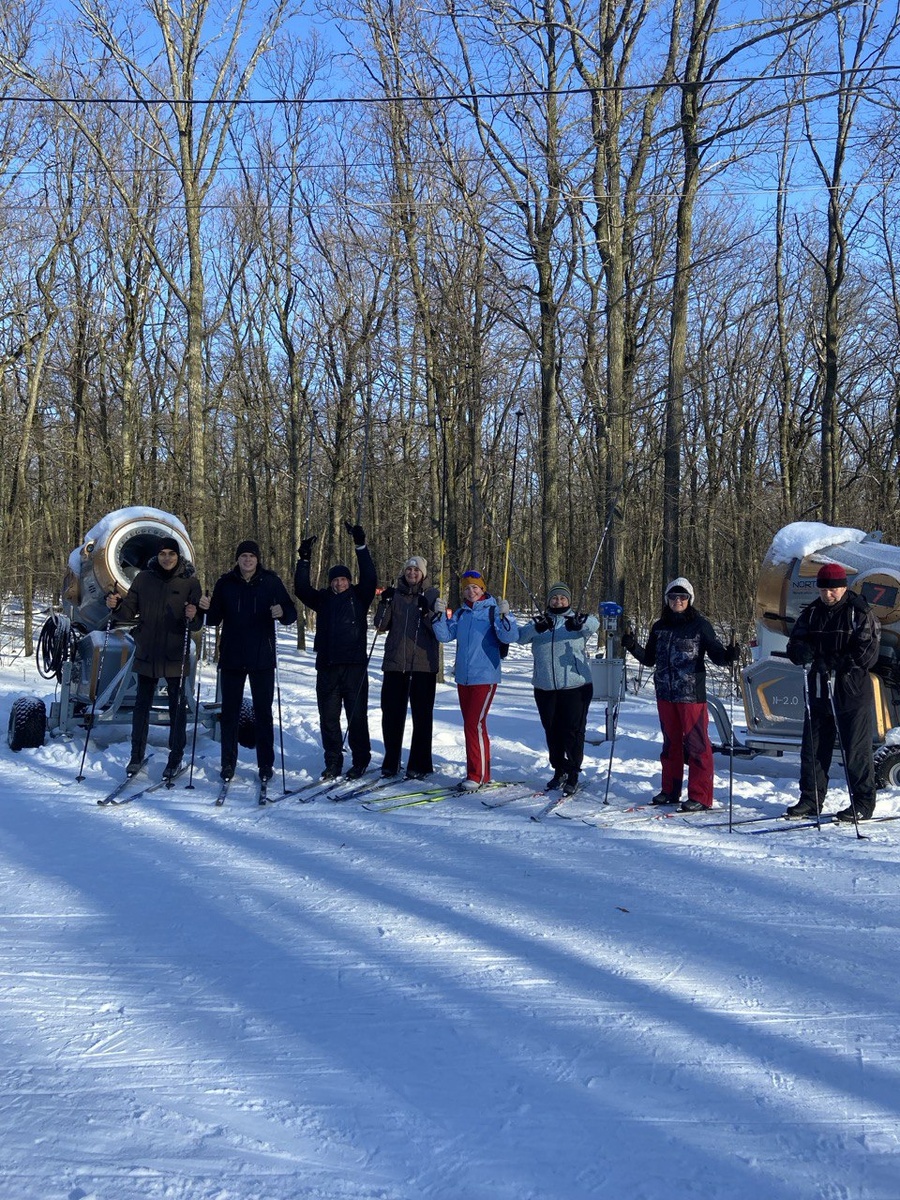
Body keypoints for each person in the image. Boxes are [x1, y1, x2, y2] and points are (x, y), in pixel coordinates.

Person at [622, 577, 738, 812]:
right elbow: (650, 659)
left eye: (682, 597)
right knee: (670, 744)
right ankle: (670, 790)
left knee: (697, 746)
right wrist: (632, 646)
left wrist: (729, 655)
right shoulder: (659, 626)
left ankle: (701, 796)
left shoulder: (700, 625)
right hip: (665, 693)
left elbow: (717, 655)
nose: (678, 601)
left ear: (689, 600)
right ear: (667, 599)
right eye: (673, 597)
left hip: (691, 695)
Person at [784, 562, 881, 822]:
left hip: (850, 693)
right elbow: (795, 643)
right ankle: (810, 800)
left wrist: (836, 661)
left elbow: (868, 652)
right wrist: (799, 652)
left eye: (834, 589)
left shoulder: (858, 612)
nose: (829, 594)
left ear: (844, 587)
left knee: (856, 751)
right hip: (818, 691)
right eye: (824, 589)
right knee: (813, 750)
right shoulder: (812, 613)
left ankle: (862, 802)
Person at [199, 540, 297, 783]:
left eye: (251, 556)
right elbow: (213, 620)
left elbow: (291, 613)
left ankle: (265, 765)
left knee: (263, 714)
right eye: (243, 556)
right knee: (230, 714)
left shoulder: (270, 581)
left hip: (262, 658)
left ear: (258, 559)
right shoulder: (225, 583)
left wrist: (282, 612)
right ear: (237, 559)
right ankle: (228, 764)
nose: (247, 560)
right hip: (232, 657)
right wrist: (205, 608)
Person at [106, 535, 202, 780]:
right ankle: (136, 757)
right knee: (141, 706)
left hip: (174, 654)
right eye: (162, 554)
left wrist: (195, 614)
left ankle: (175, 757)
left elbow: (196, 622)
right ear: (156, 557)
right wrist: (116, 605)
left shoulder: (191, 582)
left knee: (177, 708)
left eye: (171, 554)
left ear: (178, 556)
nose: (167, 558)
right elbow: (129, 610)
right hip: (147, 650)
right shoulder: (143, 579)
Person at [294, 522, 377, 780]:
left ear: (349, 581)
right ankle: (333, 761)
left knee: (356, 718)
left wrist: (360, 546)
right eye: (335, 580)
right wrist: (304, 560)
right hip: (328, 667)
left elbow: (371, 577)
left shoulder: (360, 597)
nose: (340, 583)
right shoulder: (322, 599)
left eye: (343, 579)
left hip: (354, 668)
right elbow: (301, 590)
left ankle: (361, 759)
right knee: (328, 719)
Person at [433, 569, 518, 790]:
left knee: (474, 724)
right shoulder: (461, 614)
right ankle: (481, 773)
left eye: (475, 587)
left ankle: (476, 775)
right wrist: (440, 615)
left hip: (485, 676)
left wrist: (505, 615)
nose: (471, 592)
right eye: (467, 588)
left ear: (483, 589)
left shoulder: (492, 611)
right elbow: (444, 636)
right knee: (473, 726)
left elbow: (509, 636)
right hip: (463, 678)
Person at [518, 582, 599, 796]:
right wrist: (537, 627)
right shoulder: (539, 621)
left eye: (563, 598)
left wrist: (578, 625)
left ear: (569, 600)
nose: (558, 601)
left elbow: (594, 624)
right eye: (555, 598)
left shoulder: (577, 619)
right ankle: (559, 769)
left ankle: (573, 773)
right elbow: (521, 637)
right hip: (545, 687)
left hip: (575, 685)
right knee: (552, 730)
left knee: (573, 731)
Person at [373, 556, 440, 780]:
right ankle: (391, 760)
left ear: (423, 574)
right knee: (391, 714)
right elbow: (380, 625)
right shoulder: (396, 594)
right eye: (409, 569)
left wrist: (426, 613)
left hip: (423, 665)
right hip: (395, 663)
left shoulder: (432, 595)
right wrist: (384, 602)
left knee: (422, 716)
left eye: (416, 570)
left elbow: (440, 631)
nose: (412, 573)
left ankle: (420, 763)